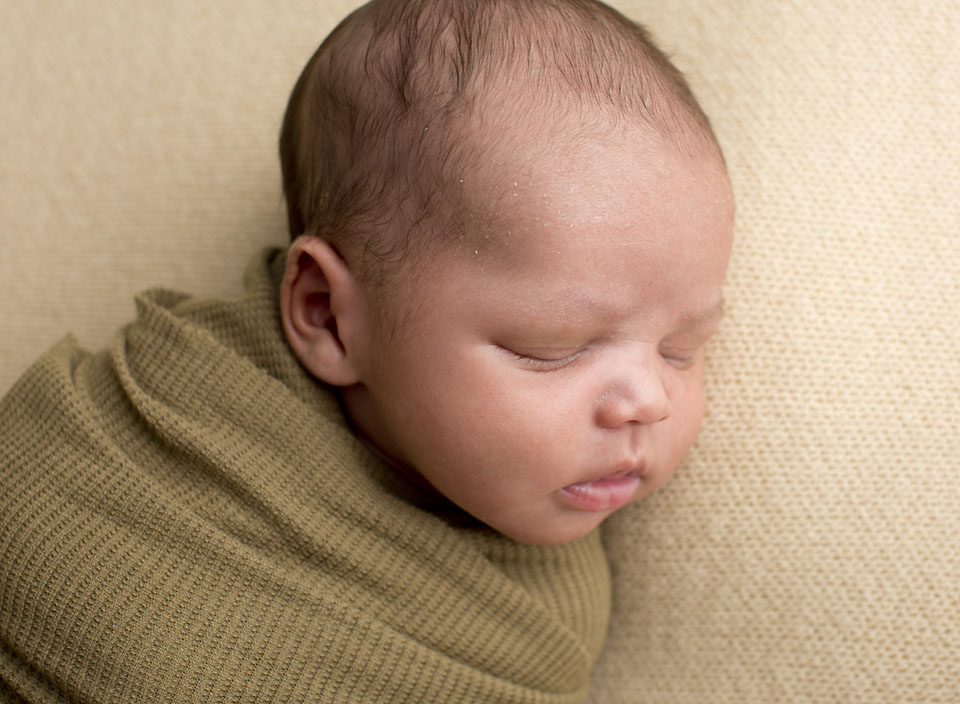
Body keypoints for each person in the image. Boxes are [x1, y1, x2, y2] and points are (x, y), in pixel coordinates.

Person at [0, 0, 733, 701]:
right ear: (327, 315)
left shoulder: (530, 615)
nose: (649, 400)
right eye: (550, 348)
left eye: (681, 348)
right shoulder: (144, 435)